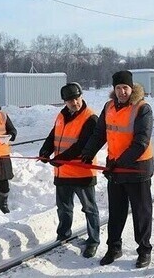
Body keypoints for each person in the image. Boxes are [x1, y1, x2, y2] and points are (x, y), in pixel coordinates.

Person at [80, 70, 154, 268]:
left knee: (141, 212)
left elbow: (141, 142)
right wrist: (88, 152)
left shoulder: (142, 108)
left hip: (137, 169)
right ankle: (114, 247)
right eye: (118, 88)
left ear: (132, 88)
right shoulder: (109, 107)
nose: (122, 91)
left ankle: (144, 250)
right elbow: (99, 133)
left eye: (125, 88)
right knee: (116, 211)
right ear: (114, 89)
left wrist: (118, 163)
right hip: (116, 169)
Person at [38, 82, 100, 258]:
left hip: (82, 172)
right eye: (70, 100)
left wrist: (60, 159)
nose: (75, 102)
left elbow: (82, 145)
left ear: (81, 96)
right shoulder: (61, 115)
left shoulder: (90, 118)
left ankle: (93, 241)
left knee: (89, 209)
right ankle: (63, 234)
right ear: (64, 102)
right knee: (64, 208)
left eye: (77, 98)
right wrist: (45, 151)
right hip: (63, 172)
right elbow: (53, 135)